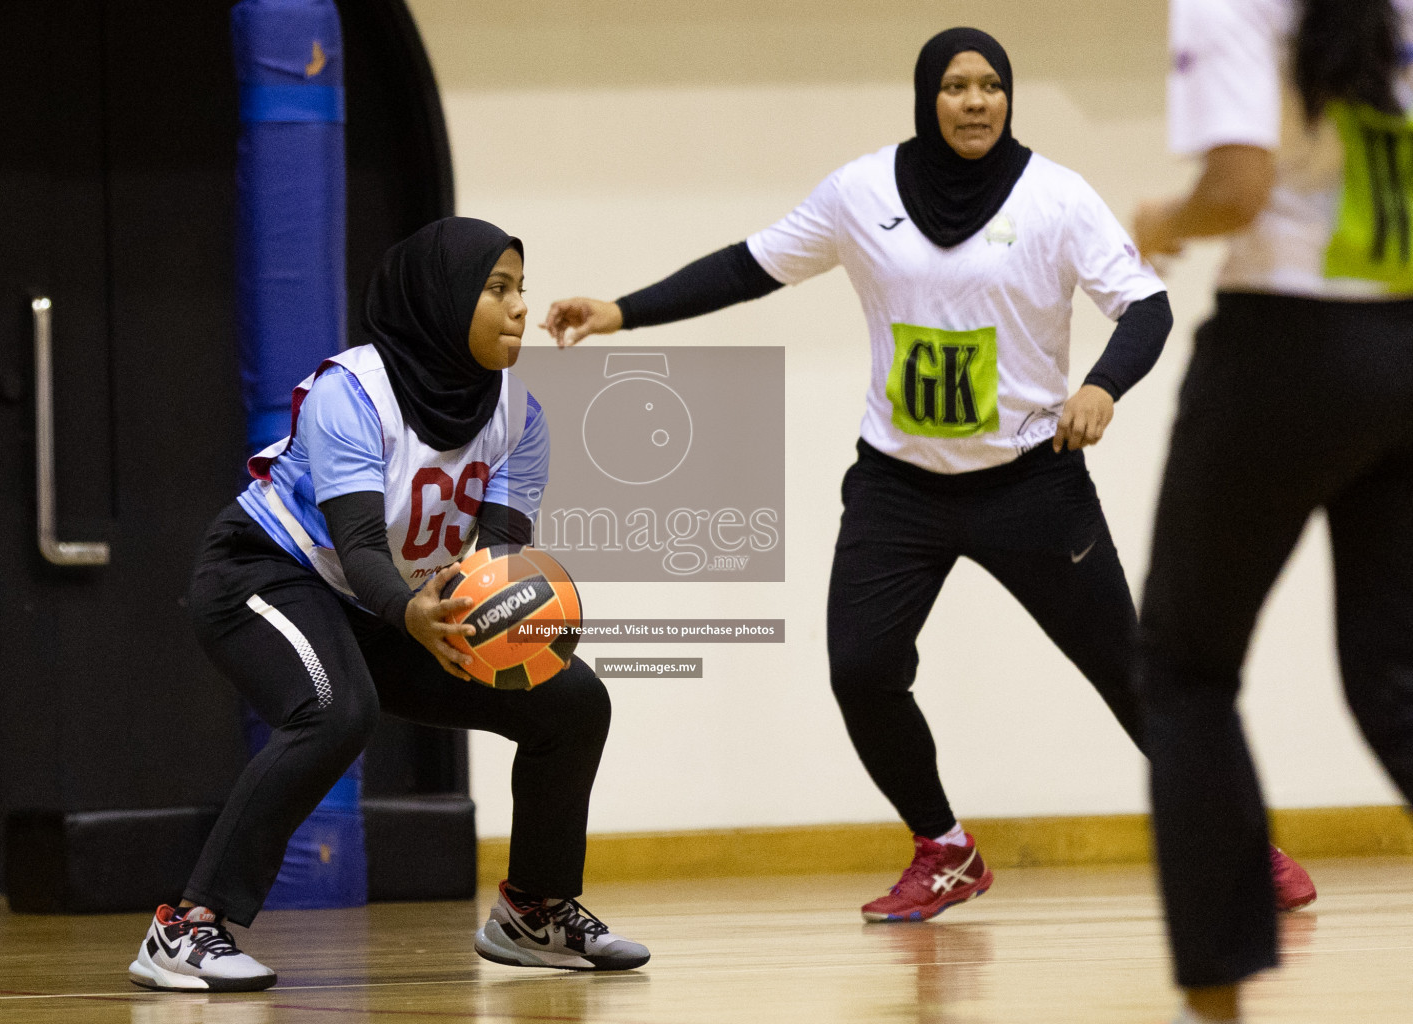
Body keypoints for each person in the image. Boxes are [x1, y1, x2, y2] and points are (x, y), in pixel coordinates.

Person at [543, 27, 1316, 923]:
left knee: (1133, 677)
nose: (977, 101)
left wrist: (1102, 385)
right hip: (898, 489)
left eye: (992, 85)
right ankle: (944, 850)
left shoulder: (1058, 198)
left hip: (1032, 483)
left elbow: (1147, 305)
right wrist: (620, 311)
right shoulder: (862, 190)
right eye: (957, 85)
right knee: (861, 669)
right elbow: (752, 266)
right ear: (927, 96)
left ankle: (1243, 846)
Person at [127, 217, 650, 992]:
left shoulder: (519, 414)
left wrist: (517, 615)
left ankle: (534, 913)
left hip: (394, 602)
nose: (517, 309)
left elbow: (499, 560)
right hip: (267, 575)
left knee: (570, 699)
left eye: (521, 290)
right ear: (440, 301)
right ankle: (188, 928)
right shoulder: (353, 392)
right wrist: (412, 616)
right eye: (497, 289)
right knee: (334, 709)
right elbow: (361, 543)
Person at [1133, 0, 1413, 1020]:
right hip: (1405, 344)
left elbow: (1237, 188)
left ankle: (1216, 997)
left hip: (1288, 347)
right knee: (1394, 682)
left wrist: (1159, 220)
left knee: (1184, 666)